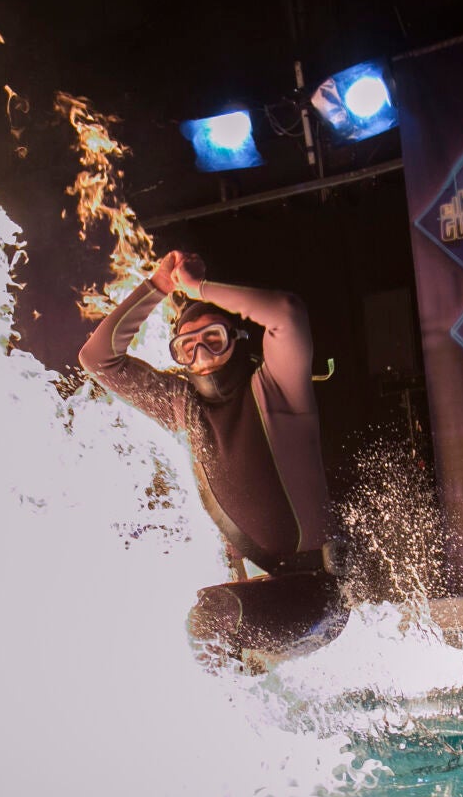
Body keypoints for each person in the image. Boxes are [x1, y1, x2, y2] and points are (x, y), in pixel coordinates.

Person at [79, 249, 348, 664]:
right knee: (157, 630)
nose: (201, 354)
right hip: (253, 606)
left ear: (236, 339)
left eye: (213, 339)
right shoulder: (182, 406)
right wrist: (157, 286)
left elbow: (287, 312)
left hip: (315, 598)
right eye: (187, 347)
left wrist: (197, 288)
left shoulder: (277, 388)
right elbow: (97, 360)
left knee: (207, 621)